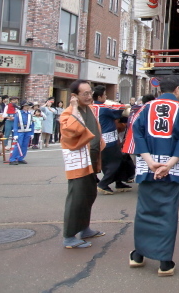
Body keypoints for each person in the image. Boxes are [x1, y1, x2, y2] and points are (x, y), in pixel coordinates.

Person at [128, 75, 179, 276]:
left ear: (160, 90)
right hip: (171, 168)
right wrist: (168, 165)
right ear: (177, 89)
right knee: (167, 212)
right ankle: (165, 261)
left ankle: (138, 255)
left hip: (147, 166)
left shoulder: (144, 108)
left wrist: (150, 162)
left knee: (144, 210)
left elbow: (136, 135)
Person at [60, 80, 105, 249]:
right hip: (79, 161)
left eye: (90, 92)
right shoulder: (68, 113)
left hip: (91, 159)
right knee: (77, 197)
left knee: (88, 194)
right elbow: (71, 130)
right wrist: (72, 108)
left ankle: (84, 228)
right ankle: (69, 236)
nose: (89, 96)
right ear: (75, 96)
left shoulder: (90, 109)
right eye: (84, 93)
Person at [91, 86, 131, 195]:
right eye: (104, 95)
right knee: (116, 162)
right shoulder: (104, 108)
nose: (106, 96)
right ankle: (103, 184)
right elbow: (119, 111)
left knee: (111, 162)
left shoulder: (91, 107)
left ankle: (119, 182)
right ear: (99, 97)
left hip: (98, 139)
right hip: (109, 139)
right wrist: (125, 106)